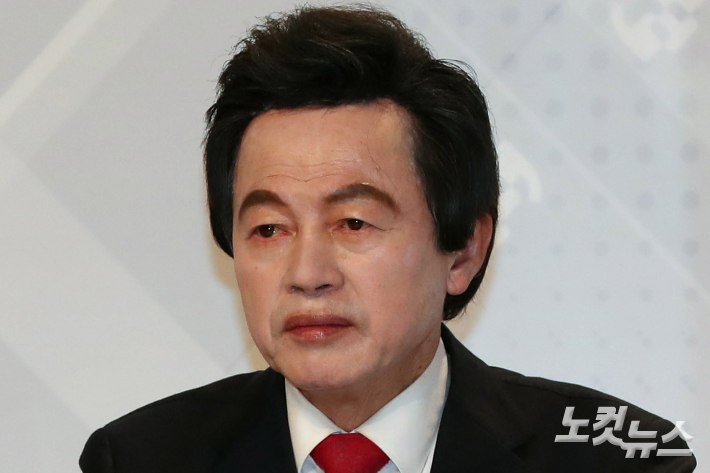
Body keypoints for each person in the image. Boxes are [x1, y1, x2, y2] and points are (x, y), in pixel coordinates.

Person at [79, 5, 696, 472]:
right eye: (269, 229)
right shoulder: (139, 460)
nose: (308, 273)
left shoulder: (619, 461)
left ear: (464, 250)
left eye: (353, 223)